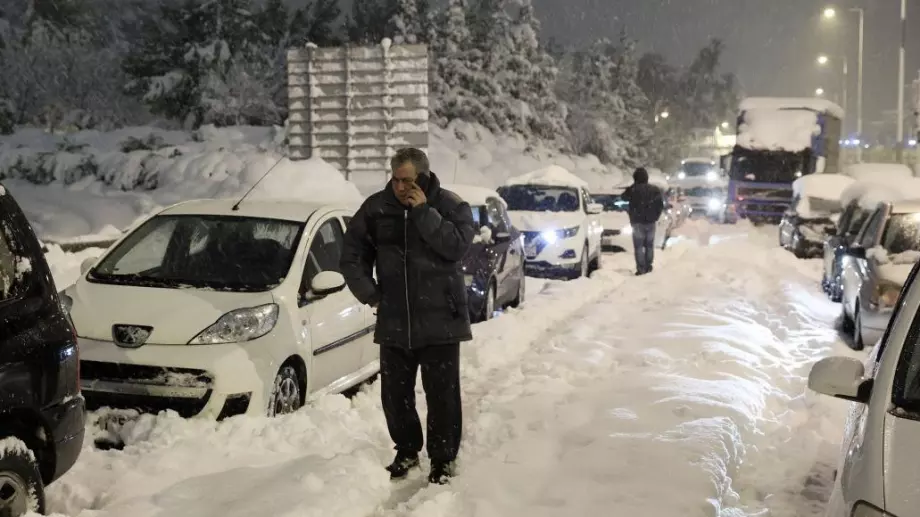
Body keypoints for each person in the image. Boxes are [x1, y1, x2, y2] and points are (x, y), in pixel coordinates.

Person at [340, 147, 475, 485]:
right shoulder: (376, 208)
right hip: (395, 320)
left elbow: (457, 247)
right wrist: (371, 294)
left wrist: (423, 213)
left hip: (441, 319)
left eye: (407, 180)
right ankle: (407, 450)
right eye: (396, 179)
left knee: (442, 395)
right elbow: (352, 255)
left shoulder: (450, 206)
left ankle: (442, 459)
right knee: (395, 395)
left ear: (423, 178)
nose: (400, 187)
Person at [622, 167, 665, 275]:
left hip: (637, 222)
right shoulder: (654, 190)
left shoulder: (633, 189)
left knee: (639, 247)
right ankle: (648, 265)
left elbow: (623, 197)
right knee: (649, 245)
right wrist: (655, 216)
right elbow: (660, 205)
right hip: (650, 222)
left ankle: (641, 269)